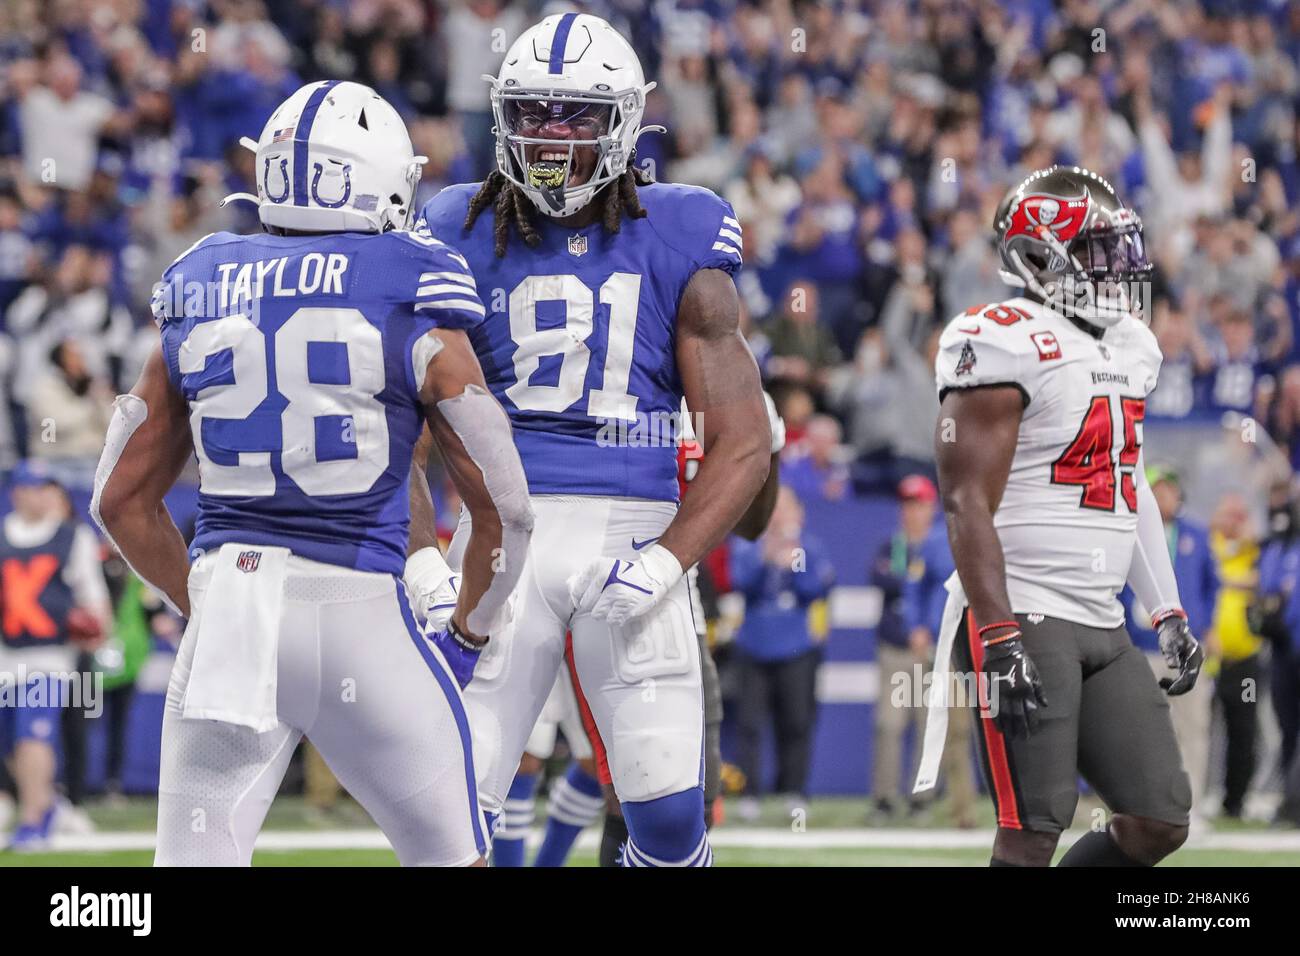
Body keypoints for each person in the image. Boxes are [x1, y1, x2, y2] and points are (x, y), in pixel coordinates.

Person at [91, 81, 533, 867]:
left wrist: (211, 605)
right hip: (360, 612)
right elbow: (507, 509)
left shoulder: (202, 274)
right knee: (454, 858)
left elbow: (117, 499)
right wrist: (469, 631)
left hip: (233, 602)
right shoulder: (412, 279)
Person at [408, 14, 772, 868]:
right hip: (499, 540)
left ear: (624, 121)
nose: (549, 136)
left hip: (632, 529)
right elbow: (399, 422)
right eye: (532, 112)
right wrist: (426, 560)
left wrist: (665, 560)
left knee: (672, 821)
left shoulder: (679, 230)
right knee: (452, 817)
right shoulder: (455, 226)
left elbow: (746, 442)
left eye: (573, 115)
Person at [918, 166, 1202, 867]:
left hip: (1102, 618)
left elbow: (1124, 481)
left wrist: (1165, 611)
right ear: (1041, 258)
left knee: (1158, 817)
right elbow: (965, 501)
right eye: (1102, 252)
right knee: (1033, 828)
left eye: (1122, 250)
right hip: (1028, 610)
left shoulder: (1130, 345)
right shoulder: (1003, 337)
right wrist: (999, 633)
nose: (1123, 268)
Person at [0, 460, 110, 850]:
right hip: (6, 654)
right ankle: (46, 805)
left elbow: (94, 597)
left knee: (33, 734)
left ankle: (33, 821)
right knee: (11, 743)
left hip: (50, 655)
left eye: (51, 488)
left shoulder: (72, 537)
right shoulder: (4, 534)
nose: (47, 496)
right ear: (18, 493)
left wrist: (96, 628)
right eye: (38, 488)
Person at [1121, 466, 1218, 826]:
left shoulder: (1196, 534)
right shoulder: (1132, 532)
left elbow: (1213, 585)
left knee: (1193, 726)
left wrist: (1206, 628)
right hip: (1143, 646)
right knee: (1146, 729)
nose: (1165, 498)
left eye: (1170, 491)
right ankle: (1149, 807)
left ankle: (1191, 807)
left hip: (1187, 648)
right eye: (1158, 490)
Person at [729, 486, 835, 811]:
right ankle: (750, 793)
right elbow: (740, 582)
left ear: (798, 514)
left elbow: (816, 589)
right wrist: (767, 558)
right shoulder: (750, 545)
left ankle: (794, 790)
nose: (779, 515)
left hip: (796, 646)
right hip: (754, 644)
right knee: (749, 722)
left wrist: (793, 563)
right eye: (774, 508)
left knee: (796, 720)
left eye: (786, 508)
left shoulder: (810, 548)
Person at [1207, 492, 1263, 819]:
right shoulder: (1208, 545)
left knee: (1243, 731)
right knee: (1197, 729)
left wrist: (1246, 539)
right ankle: (1192, 799)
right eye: (1228, 514)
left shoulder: (1252, 551)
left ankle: (1235, 802)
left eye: (1240, 515)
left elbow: (1261, 578)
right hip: (1211, 659)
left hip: (1244, 660)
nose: (1234, 522)